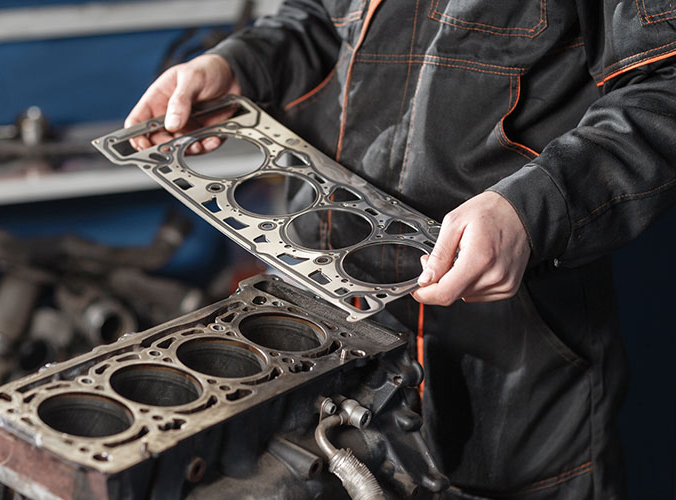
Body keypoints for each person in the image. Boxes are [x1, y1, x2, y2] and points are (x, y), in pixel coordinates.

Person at [125, 2, 676, 498]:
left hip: (510, 372)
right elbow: (317, 19)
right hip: (317, 336)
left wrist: (536, 208)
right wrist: (238, 63)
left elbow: (665, 89)